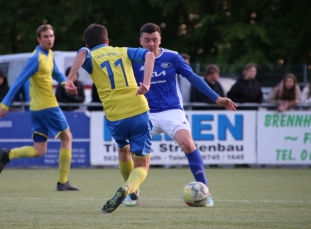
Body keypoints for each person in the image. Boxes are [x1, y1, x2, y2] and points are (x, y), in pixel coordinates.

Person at [130, 23, 237, 207]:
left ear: (160, 40)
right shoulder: (132, 59)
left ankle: (205, 192)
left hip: (172, 111)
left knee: (188, 143)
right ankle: (132, 192)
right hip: (146, 112)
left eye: (154, 40)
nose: (151, 44)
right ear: (140, 41)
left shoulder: (172, 57)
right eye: (147, 40)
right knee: (137, 154)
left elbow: (193, 77)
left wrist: (217, 98)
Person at [65, 23, 155, 213]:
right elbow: (149, 54)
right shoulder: (123, 51)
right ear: (107, 41)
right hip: (138, 109)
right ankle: (128, 188)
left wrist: (70, 78)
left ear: (89, 44)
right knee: (142, 163)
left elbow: (82, 52)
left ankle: (133, 193)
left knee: (123, 150)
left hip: (114, 116)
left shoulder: (90, 55)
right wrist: (146, 83)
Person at [0, 24, 80, 191]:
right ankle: (63, 182)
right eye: (46, 36)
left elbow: (56, 73)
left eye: (51, 36)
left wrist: (65, 83)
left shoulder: (49, 54)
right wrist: (5, 104)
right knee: (67, 137)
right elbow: (19, 80)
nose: (49, 39)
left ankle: (8, 154)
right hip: (48, 106)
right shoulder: (36, 58)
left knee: (39, 150)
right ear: (38, 39)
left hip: (37, 109)